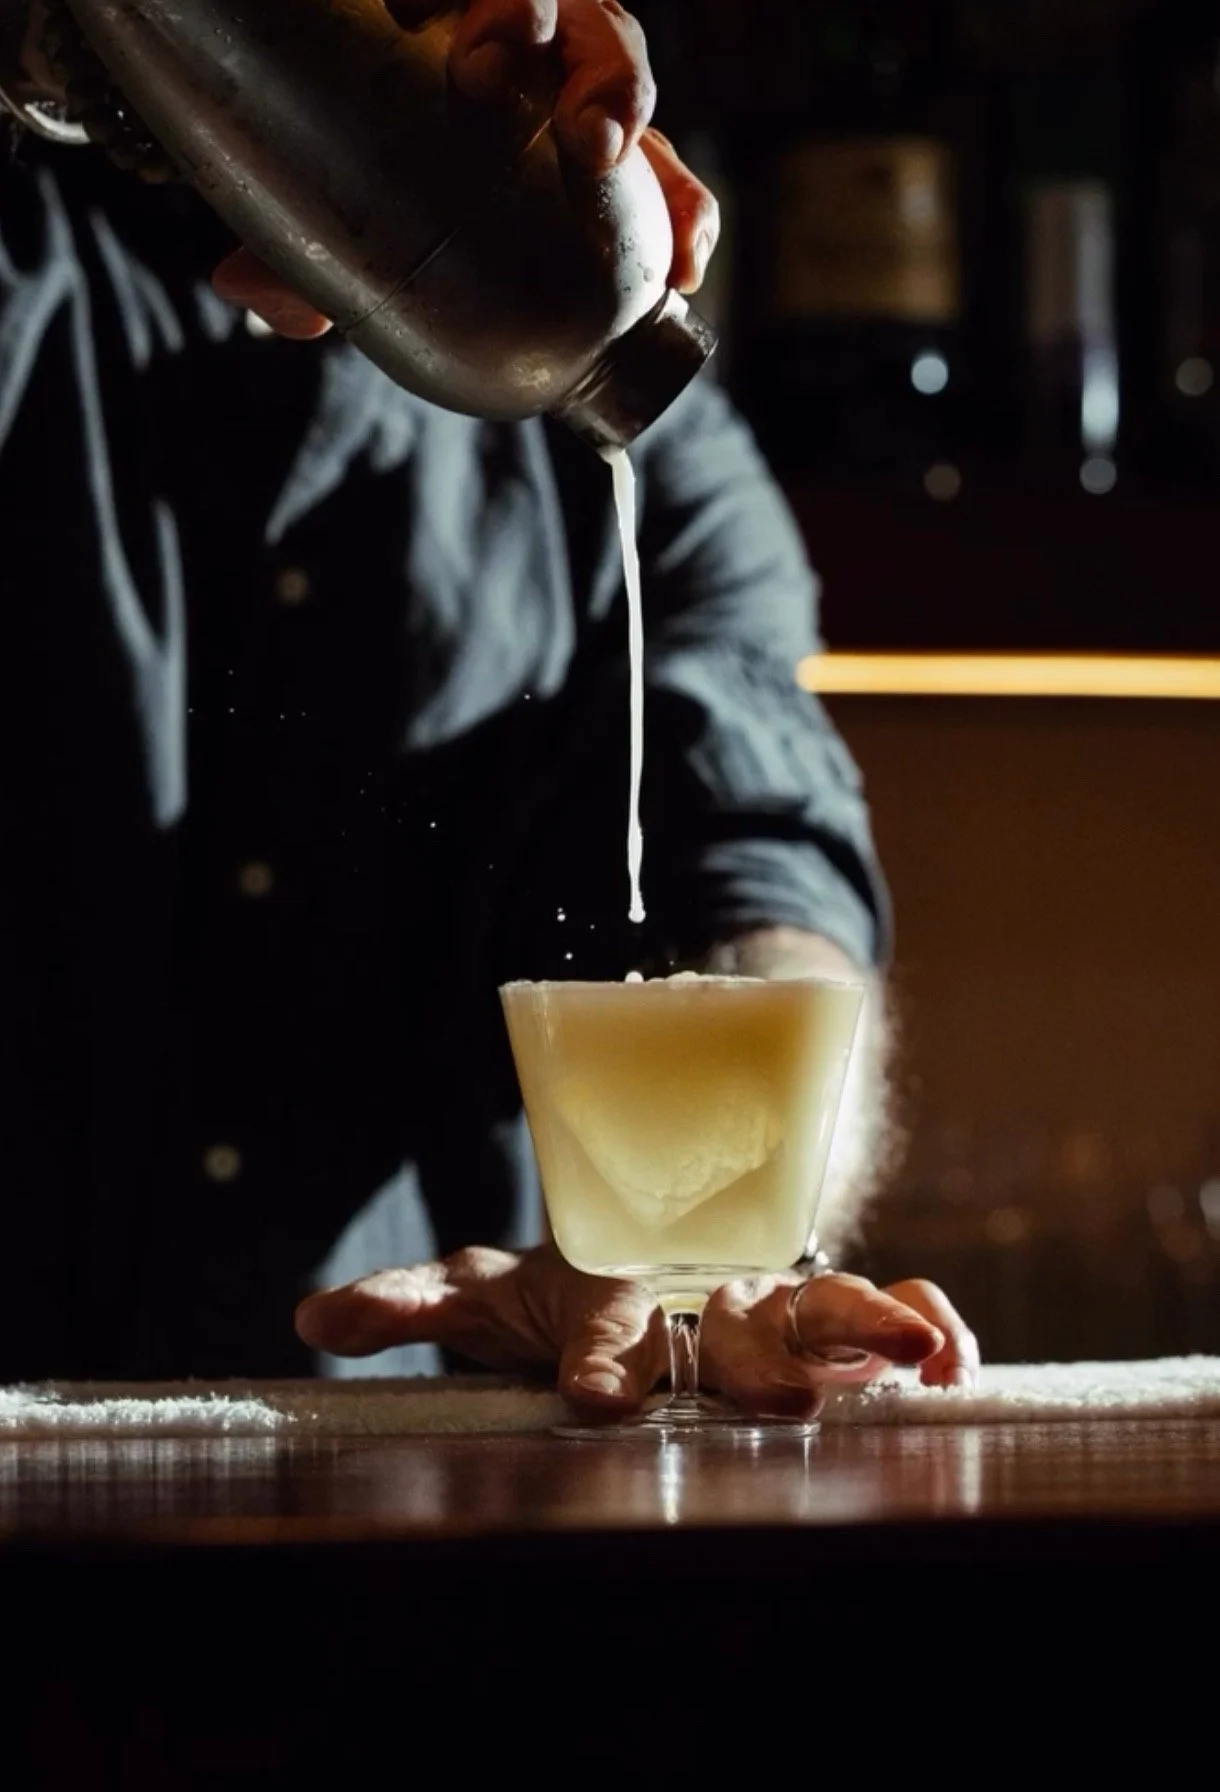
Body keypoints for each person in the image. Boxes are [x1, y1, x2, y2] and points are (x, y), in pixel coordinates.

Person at [0, 0, 977, 1417]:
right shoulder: (33, 274)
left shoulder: (645, 454)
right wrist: (63, 50)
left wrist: (718, 1241)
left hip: (396, 1476)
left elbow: (765, 862)